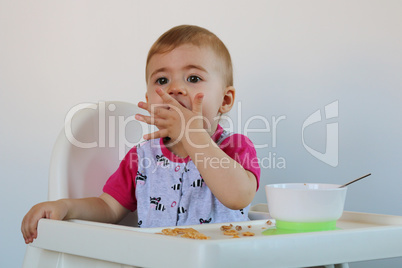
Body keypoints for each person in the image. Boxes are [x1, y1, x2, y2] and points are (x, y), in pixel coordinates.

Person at [21, 25, 260, 243]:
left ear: (225, 100)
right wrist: (65, 206)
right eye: (162, 80)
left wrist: (193, 136)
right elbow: (108, 207)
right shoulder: (142, 158)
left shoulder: (234, 146)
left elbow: (238, 196)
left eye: (193, 78)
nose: (175, 88)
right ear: (148, 100)